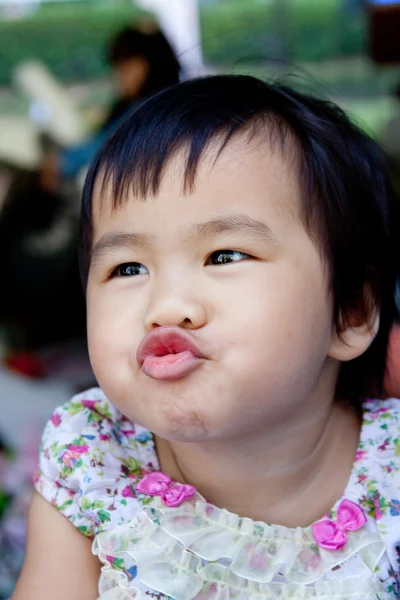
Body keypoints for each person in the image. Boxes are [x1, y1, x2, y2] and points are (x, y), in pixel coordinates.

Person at [13, 75, 400, 599]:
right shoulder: (93, 458)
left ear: (348, 313)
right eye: (128, 268)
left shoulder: (393, 466)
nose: (166, 306)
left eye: (224, 256)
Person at [56, 24, 181, 181]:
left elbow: (100, 151)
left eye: (120, 68)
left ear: (140, 67)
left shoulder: (145, 112)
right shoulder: (169, 105)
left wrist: (58, 163)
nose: (116, 77)